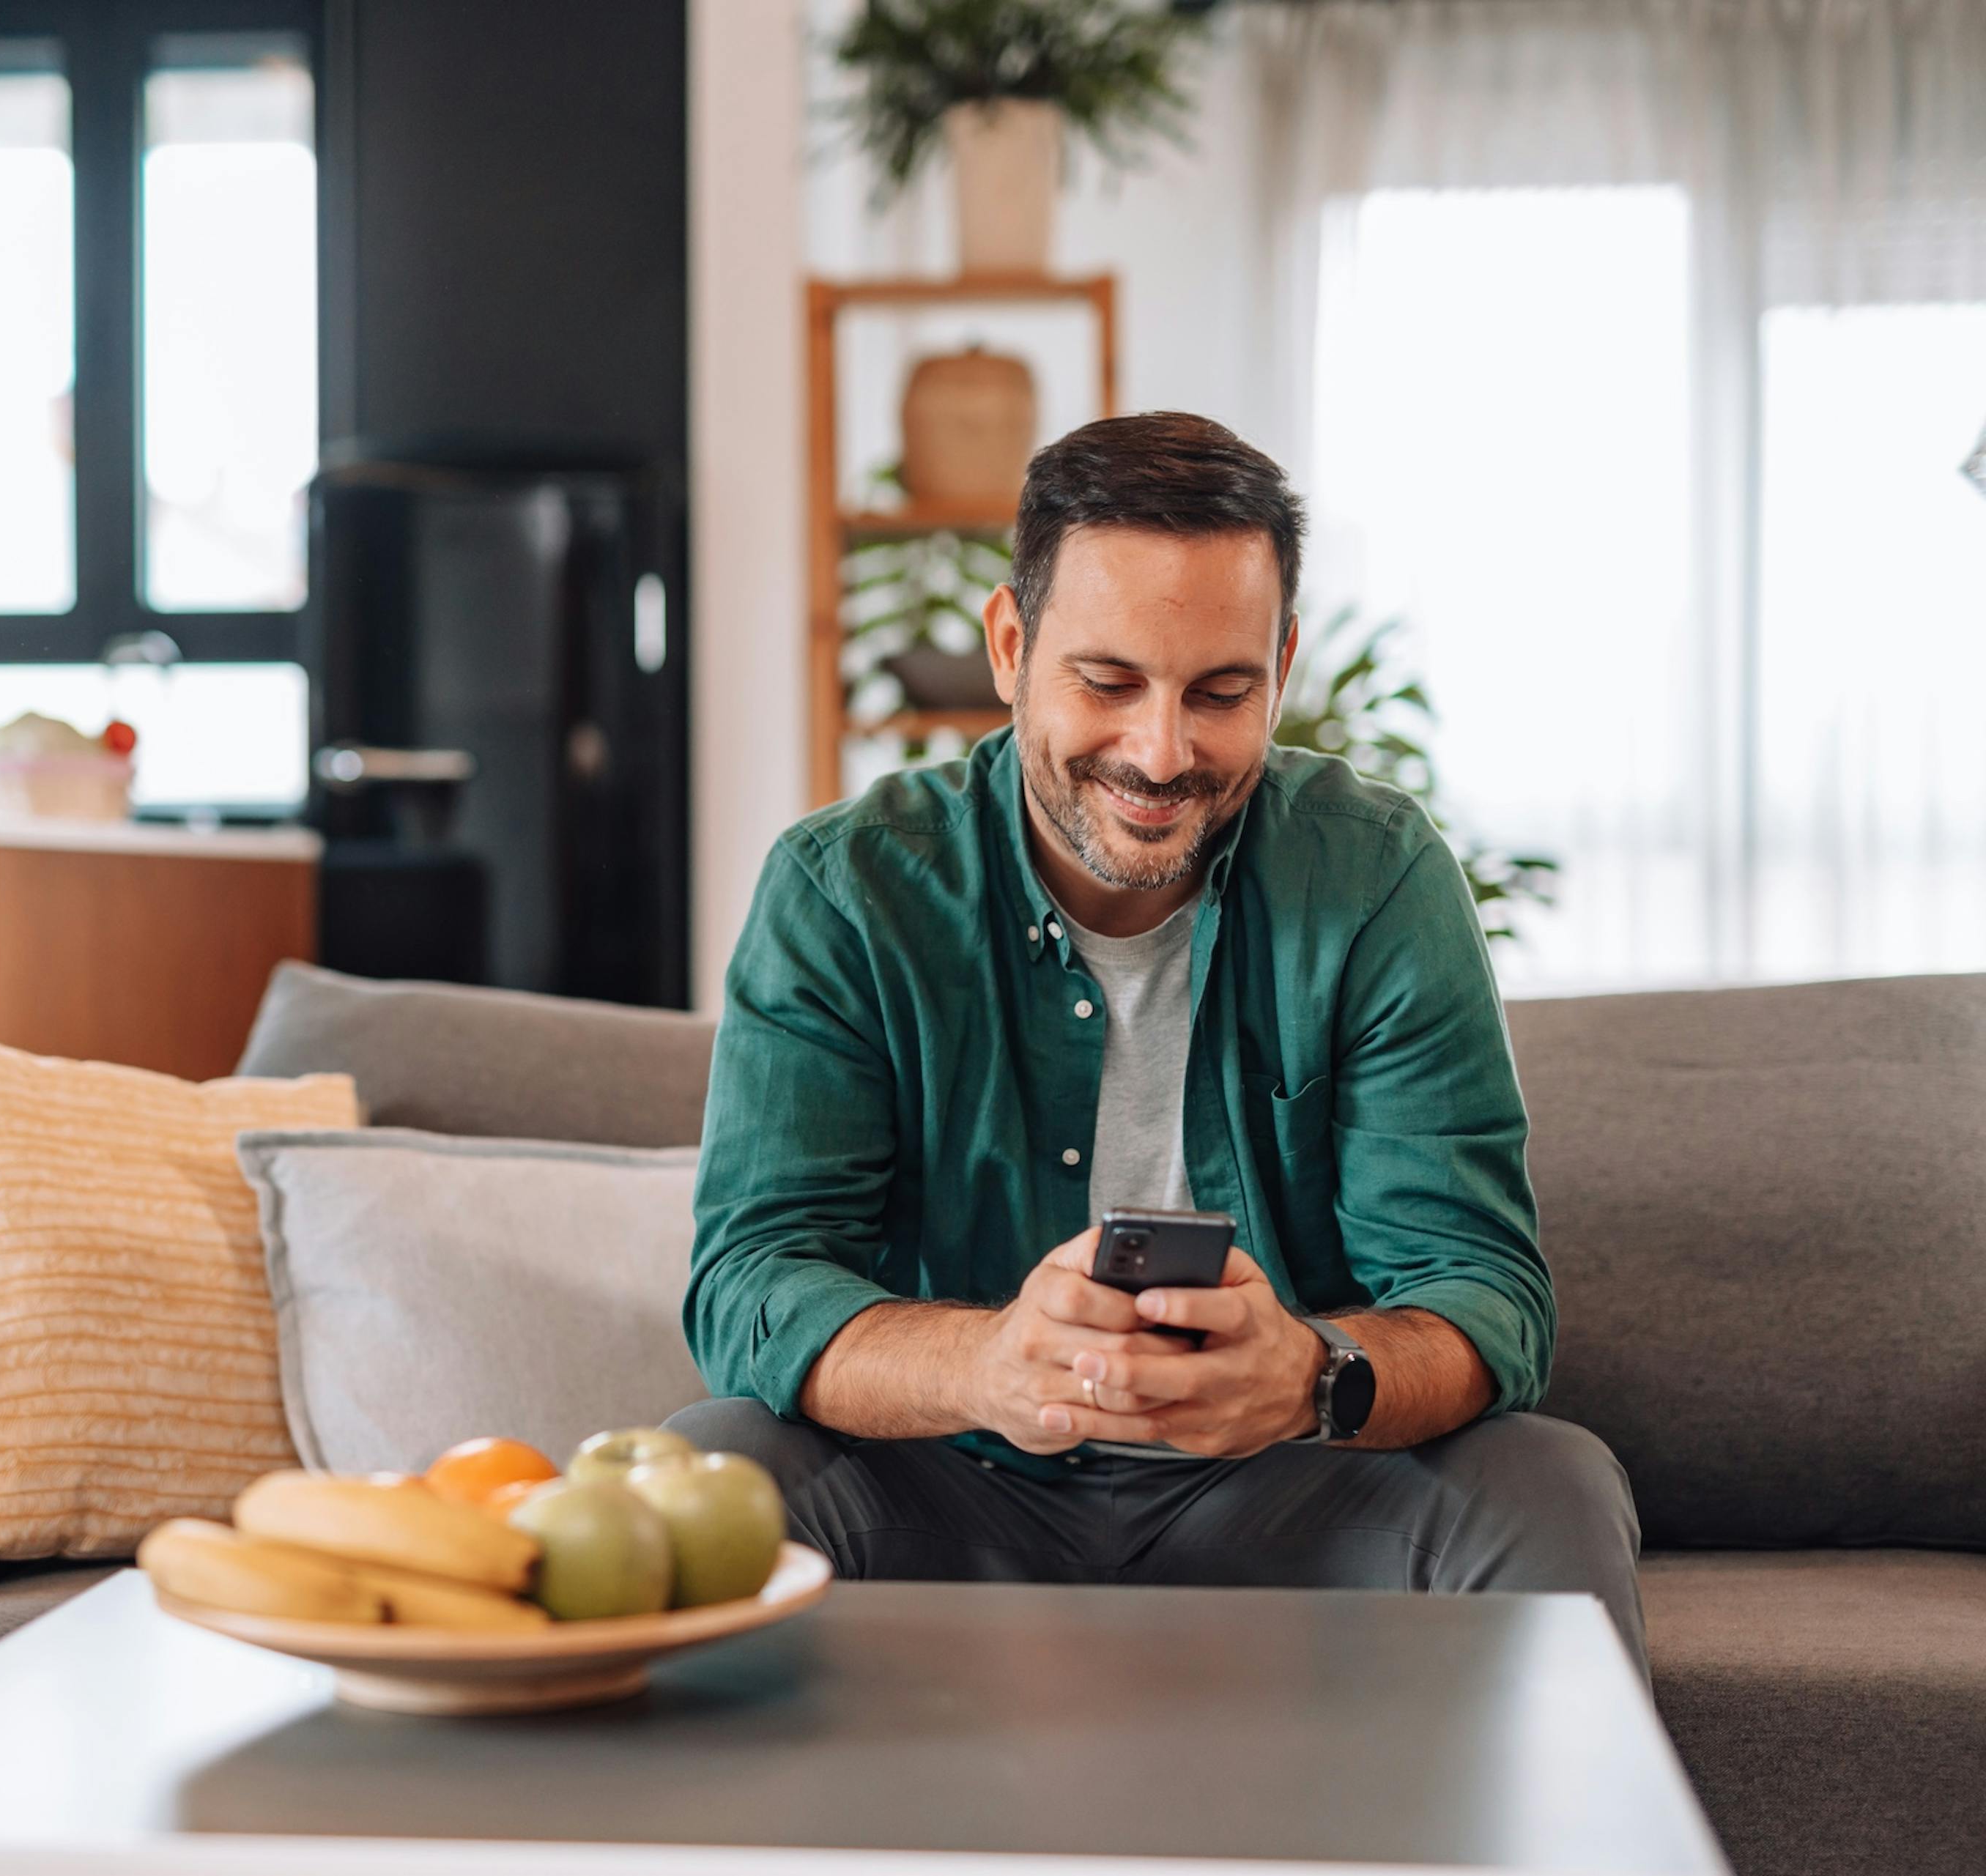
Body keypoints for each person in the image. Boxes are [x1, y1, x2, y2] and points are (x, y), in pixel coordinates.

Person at [668, 412, 1644, 1664]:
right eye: (1109, 681)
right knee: (714, 1467)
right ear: (1012, 647)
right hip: (942, 1488)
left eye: (1221, 692)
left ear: (1281, 668)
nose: (1162, 751)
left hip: (1280, 1490)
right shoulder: (845, 890)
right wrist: (986, 1365)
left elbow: (1487, 1296)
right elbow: (751, 1281)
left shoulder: (1381, 879)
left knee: (1548, 1478)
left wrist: (1309, 1373)